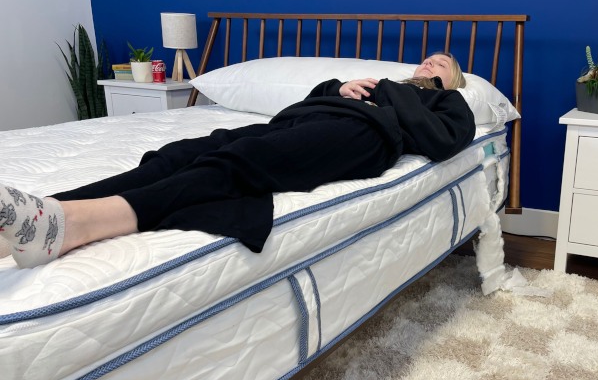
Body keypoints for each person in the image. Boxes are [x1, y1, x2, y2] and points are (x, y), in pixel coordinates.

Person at [0, 53, 474, 269]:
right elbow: (309, 102)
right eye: (427, 61)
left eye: (441, 64)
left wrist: (403, 93)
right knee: (180, 153)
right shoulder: (372, 82)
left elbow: (445, 142)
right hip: (303, 121)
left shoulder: (446, 102)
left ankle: (79, 226)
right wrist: (339, 87)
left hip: (362, 136)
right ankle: (37, 215)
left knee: (240, 161)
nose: (430, 64)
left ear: (453, 79)